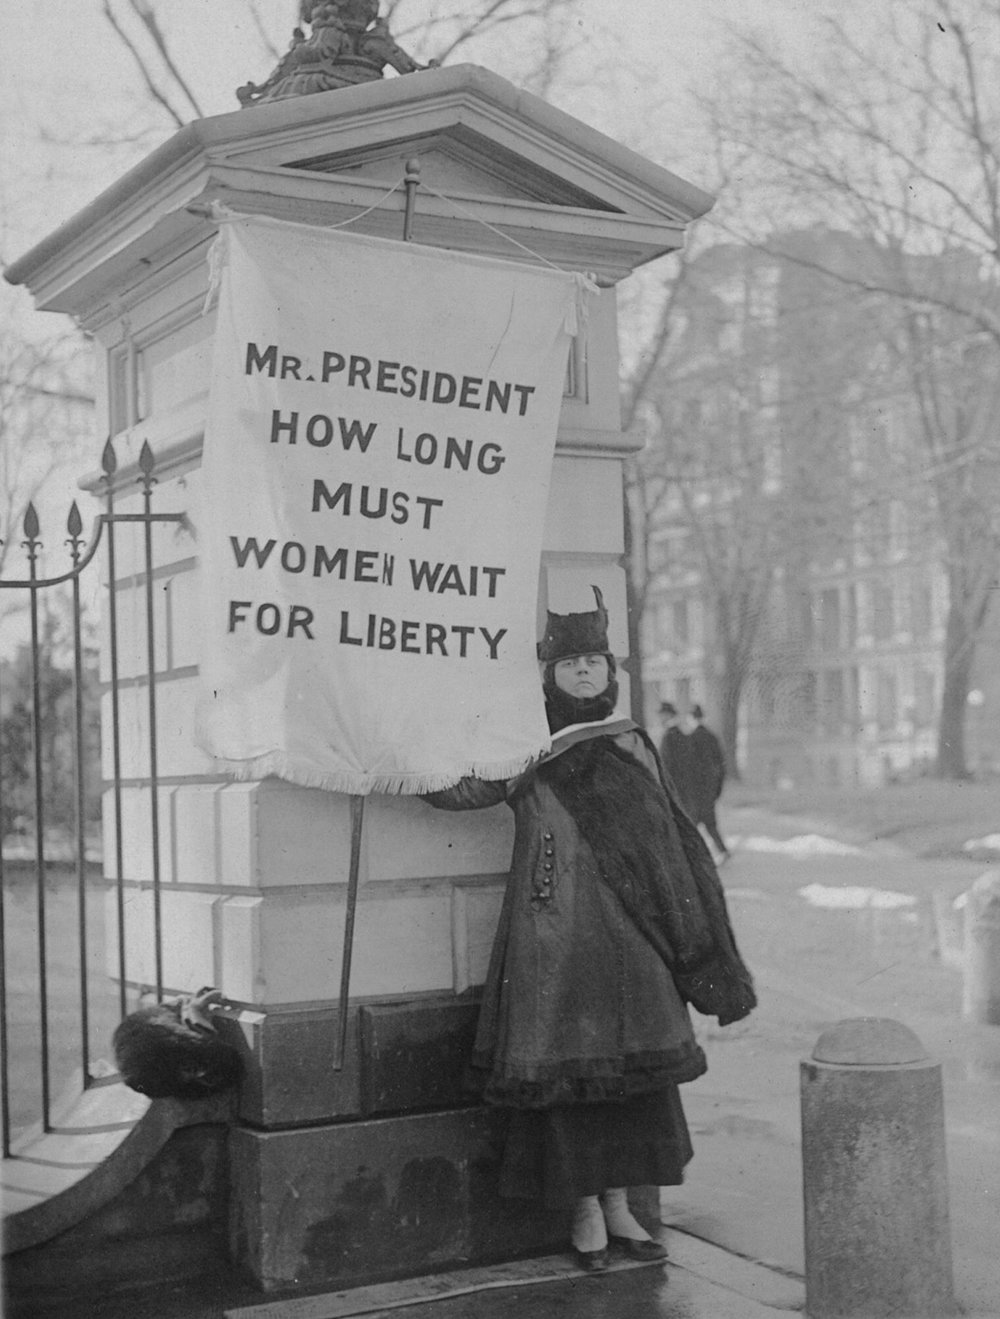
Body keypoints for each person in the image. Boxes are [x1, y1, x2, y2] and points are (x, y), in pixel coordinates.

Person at [424, 587, 755, 1272]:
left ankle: (621, 1206)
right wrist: (388, 758)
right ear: (548, 675)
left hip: (635, 943)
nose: (583, 672)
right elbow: (464, 790)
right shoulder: (528, 747)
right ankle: (583, 1212)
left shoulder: (632, 742)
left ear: (610, 672)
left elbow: (674, 841)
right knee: (566, 1079)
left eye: (593, 661)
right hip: (554, 943)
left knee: (628, 1081)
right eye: (569, 662)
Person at [660, 703, 730, 862]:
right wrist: (717, 789)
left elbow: (683, 768)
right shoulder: (711, 737)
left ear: (691, 718)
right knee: (706, 823)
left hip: (694, 790)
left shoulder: (686, 738)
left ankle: (695, 856)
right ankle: (716, 852)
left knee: (694, 823)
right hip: (708, 790)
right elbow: (721, 766)